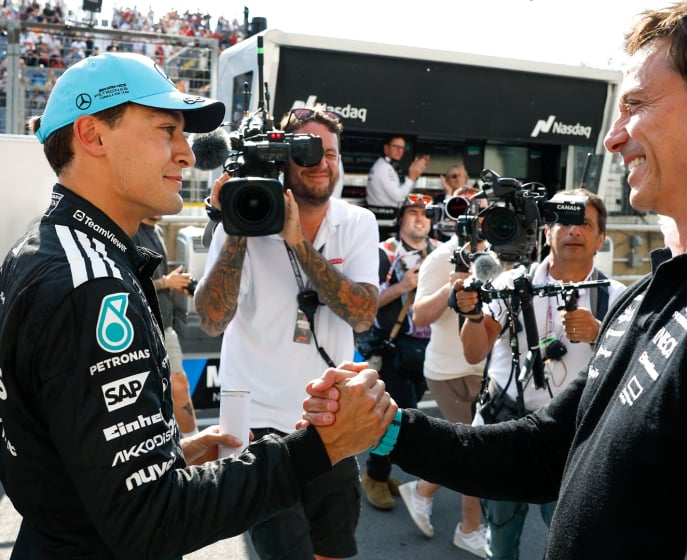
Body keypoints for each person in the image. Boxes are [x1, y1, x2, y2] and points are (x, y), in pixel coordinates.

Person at [302, 1, 687, 557]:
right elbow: (545, 452)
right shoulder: (672, 280)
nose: (613, 138)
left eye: (635, 104)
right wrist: (385, 427)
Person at [0, 51, 395, 559]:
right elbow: (151, 521)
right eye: (168, 130)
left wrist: (168, 456)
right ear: (92, 135)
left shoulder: (53, 250)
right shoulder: (90, 284)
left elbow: (74, 463)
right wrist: (321, 448)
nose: (187, 154)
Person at [194, 107, 381, 560]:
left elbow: (361, 315)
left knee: (332, 551)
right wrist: (239, 223)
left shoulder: (357, 223)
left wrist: (297, 241)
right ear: (281, 160)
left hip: (329, 421)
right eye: (307, 151)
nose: (322, 162)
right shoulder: (240, 216)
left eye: (330, 153)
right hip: (258, 431)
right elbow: (212, 319)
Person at [462, 188, 626, 559]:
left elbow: (635, 369)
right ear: (546, 231)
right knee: (500, 544)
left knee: (571, 542)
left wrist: (600, 331)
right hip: (508, 432)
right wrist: (473, 315)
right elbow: (474, 351)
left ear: (601, 238)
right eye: (564, 221)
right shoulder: (509, 284)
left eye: (584, 223)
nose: (574, 231)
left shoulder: (615, 295)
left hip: (573, 441)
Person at [398, 188, 487, 557]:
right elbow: (419, 316)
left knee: (468, 448)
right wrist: (451, 289)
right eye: (471, 210)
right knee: (473, 453)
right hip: (447, 372)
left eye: (484, 209)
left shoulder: (498, 257)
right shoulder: (440, 257)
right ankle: (469, 529)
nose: (478, 217)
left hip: (484, 369)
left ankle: (422, 490)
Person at [360, 193, 439, 511]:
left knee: (404, 414)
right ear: (401, 219)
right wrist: (402, 286)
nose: (420, 218)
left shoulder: (440, 252)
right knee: (394, 417)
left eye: (425, 213)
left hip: (428, 349)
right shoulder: (383, 253)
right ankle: (375, 476)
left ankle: (382, 470)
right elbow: (364, 305)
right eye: (413, 213)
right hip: (392, 349)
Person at [132, 215, 198, 436]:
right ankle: (195, 445)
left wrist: (174, 284)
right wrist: (166, 282)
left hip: (165, 324)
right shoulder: (133, 231)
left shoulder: (157, 232)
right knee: (177, 383)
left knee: (175, 384)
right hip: (146, 327)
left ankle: (191, 442)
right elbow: (129, 281)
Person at [366, 135, 430, 208]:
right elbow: (399, 197)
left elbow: (405, 191)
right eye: (396, 147)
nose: (400, 151)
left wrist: (416, 175)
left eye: (402, 148)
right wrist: (412, 177)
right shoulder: (384, 168)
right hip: (385, 215)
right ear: (386, 148)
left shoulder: (386, 165)